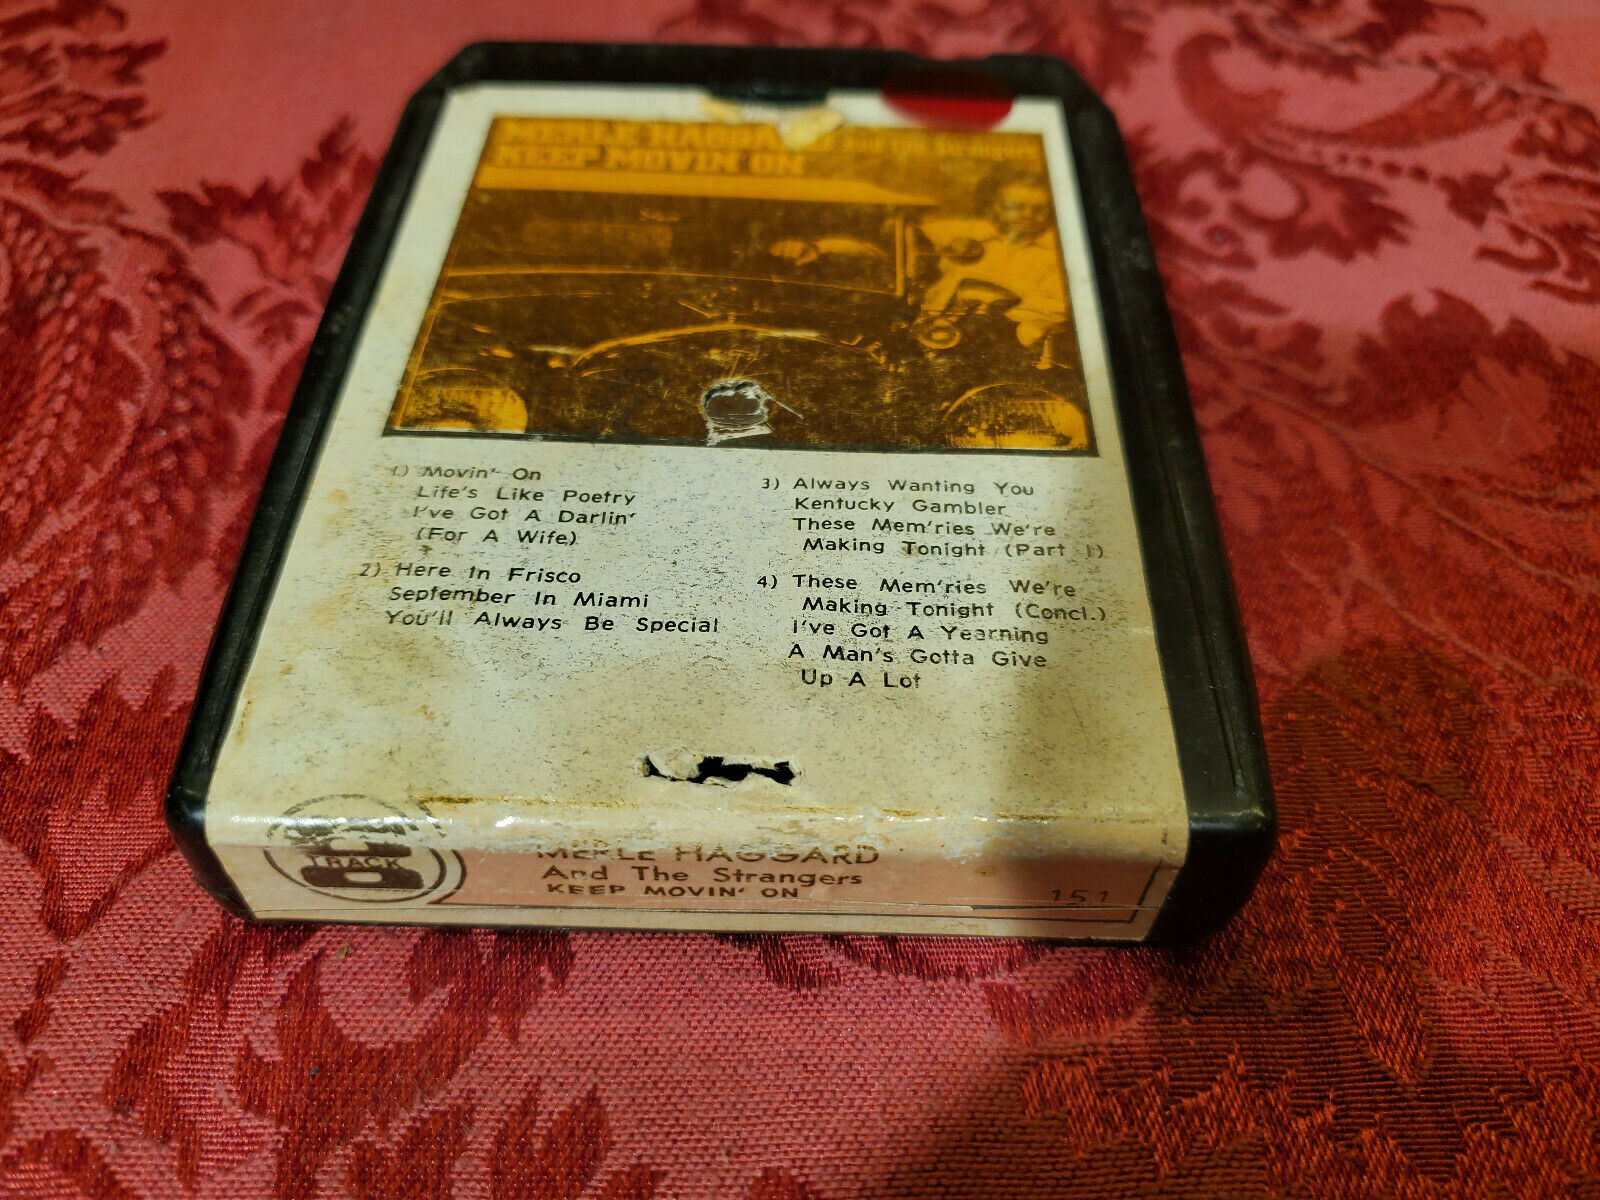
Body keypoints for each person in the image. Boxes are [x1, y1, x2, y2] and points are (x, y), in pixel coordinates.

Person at [918, 171, 1069, 349]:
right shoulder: (970, 232)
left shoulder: (1057, 253)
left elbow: (1054, 311)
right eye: (1017, 206)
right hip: (936, 330)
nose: (1028, 214)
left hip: (1008, 339)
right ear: (998, 206)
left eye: (1039, 209)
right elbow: (913, 230)